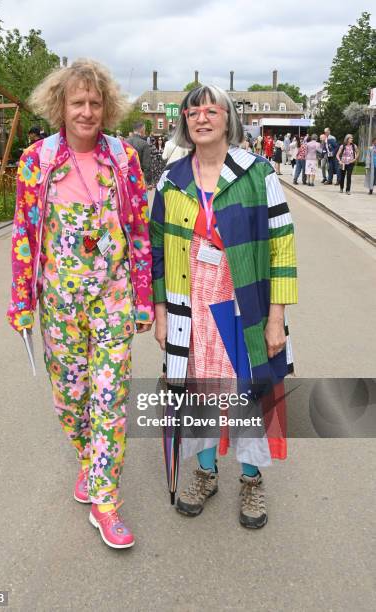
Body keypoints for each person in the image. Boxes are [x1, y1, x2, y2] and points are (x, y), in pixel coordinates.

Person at [7, 58, 154, 549]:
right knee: (70, 400)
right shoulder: (38, 160)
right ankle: (89, 464)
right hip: (59, 304)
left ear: (106, 106)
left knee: (109, 398)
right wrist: (21, 301)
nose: (87, 111)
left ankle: (106, 499)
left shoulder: (124, 159)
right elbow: (24, 235)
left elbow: (137, 229)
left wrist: (141, 298)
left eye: (95, 102)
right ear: (60, 106)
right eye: (78, 102)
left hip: (112, 301)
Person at [150, 85, 297, 529]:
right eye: (192, 112)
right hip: (189, 309)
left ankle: (251, 480)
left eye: (211, 111)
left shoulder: (257, 172)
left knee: (247, 393)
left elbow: (282, 247)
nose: (201, 118)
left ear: (227, 119)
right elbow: (155, 250)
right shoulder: (171, 179)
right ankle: (206, 471)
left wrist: (276, 318)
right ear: (185, 122)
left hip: (242, 308)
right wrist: (160, 312)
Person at [126, 122, 152, 186]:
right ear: (142, 130)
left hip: (126, 176)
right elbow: (146, 165)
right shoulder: (144, 144)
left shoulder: (125, 142)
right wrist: (148, 182)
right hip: (139, 177)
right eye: (144, 129)